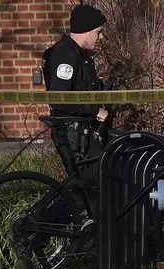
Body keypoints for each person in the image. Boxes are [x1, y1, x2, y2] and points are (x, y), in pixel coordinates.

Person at [41, 3, 113, 185]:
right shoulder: (66, 56)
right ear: (86, 31)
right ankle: (48, 215)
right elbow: (58, 99)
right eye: (98, 31)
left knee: (89, 188)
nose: (101, 36)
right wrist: (94, 110)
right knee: (95, 185)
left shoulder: (79, 55)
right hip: (72, 134)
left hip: (82, 132)